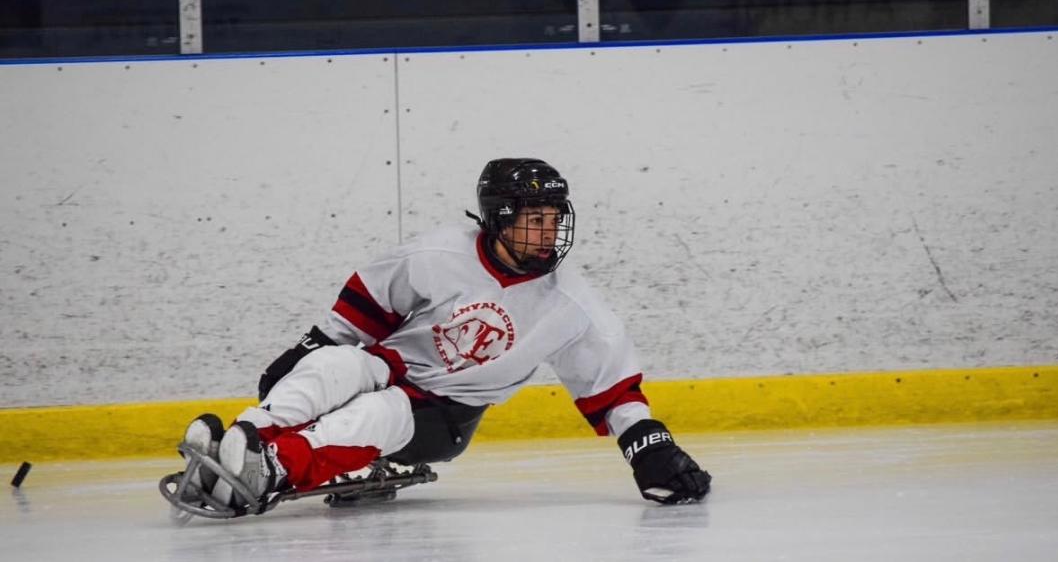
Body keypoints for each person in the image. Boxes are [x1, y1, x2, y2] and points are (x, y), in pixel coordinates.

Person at [182, 157, 711, 509]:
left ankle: (268, 469)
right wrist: (308, 350)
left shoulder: (571, 305)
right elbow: (365, 308)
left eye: (554, 218)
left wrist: (650, 450)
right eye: (534, 219)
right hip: (391, 367)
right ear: (497, 220)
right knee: (333, 366)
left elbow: (612, 388)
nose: (548, 232)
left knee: (375, 414)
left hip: (445, 415)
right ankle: (240, 440)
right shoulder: (439, 254)